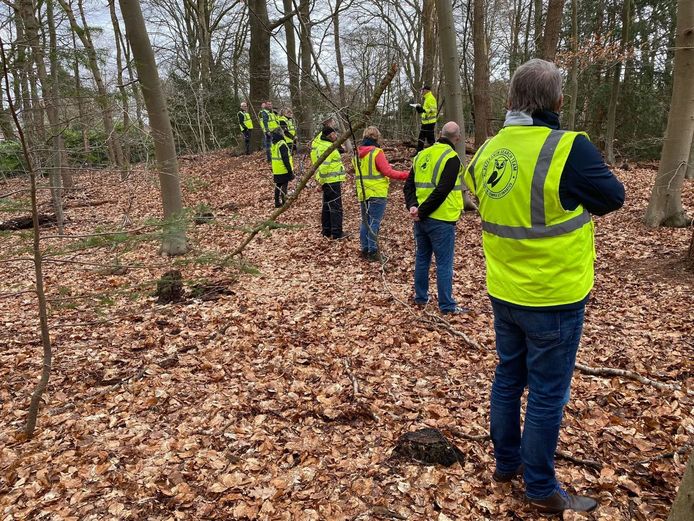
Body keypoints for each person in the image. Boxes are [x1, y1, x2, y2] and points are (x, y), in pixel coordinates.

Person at [463, 59, 625, 514]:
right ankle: (538, 487)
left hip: (504, 291)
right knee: (548, 393)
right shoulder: (569, 148)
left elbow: (476, 187)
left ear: (512, 99)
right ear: (557, 102)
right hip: (554, 296)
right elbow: (613, 198)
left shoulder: (491, 150)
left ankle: (506, 463)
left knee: (508, 378)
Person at [404, 122, 468, 314]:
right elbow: (442, 190)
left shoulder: (421, 155)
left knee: (422, 258)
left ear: (440, 133)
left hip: (421, 220)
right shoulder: (452, 158)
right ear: (457, 138)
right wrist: (420, 211)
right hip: (441, 219)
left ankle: (421, 297)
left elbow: (408, 186)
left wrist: (414, 207)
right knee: (444, 263)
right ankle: (447, 305)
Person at [353, 126, 409, 261]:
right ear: (377, 137)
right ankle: (373, 252)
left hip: (363, 192)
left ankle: (365, 250)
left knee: (365, 222)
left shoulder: (356, 154)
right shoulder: (376, 152)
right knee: (374, 223)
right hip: (377, 192)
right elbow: (388, 172)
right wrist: (407, 175)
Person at [312, 126, 346, 239]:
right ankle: (337, 233)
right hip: (332, 181)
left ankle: (326, 231)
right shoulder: (327, 147)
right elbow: (324, 167)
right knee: (335, 208)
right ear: (330, 135)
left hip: (329, 181)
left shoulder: (323, 144)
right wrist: (321, 182)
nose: (336, 135)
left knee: (327, 206)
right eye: (335, 133)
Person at [270, 128, 295, 208]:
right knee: (284, 185)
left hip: (276, 169)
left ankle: (277, 202)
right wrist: (290, 170)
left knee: (278, 186)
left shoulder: (274, 144)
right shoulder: (282, 144)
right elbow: (285, 159)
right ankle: (284, 202)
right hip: (283, 168)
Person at [414, 85, 438, 152]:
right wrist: (420, 109)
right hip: (425, 122)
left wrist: (424, 110)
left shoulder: (431, 98)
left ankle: (433, 152)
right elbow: (426, 109)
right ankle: (418, 152)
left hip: (430, 123)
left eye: (423, 90)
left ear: (427, 90)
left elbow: (434, 110)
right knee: (421, 138)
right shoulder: (427, 98)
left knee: (430, 139)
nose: (422, 91)